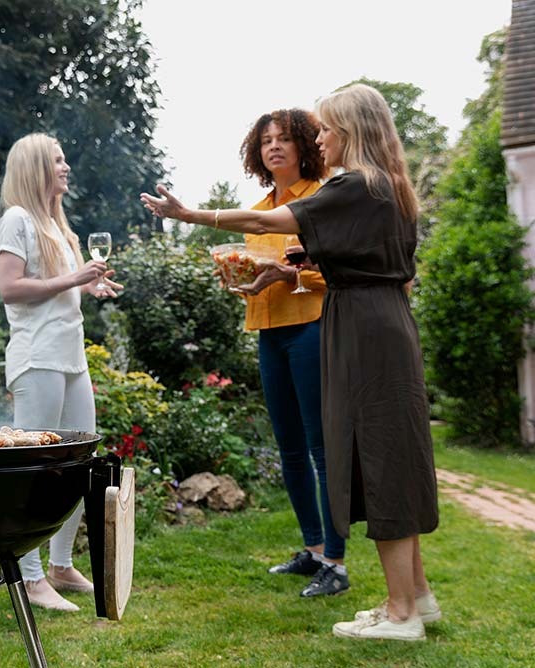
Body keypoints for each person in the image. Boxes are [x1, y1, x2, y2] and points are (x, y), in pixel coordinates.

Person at [140, 83, 440, 642]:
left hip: (365, 330)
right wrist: (285, 274)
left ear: (351, 130)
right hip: (384, 320)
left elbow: (263, 224)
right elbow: (391, 270)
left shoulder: (355, 185)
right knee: (391, 458)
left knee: (378, 461)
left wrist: (188, 214)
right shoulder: (392, 187)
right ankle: (416, 597)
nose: (319, 138)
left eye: (326, 129)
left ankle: (402, 616)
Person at [0, 132, 121, 611]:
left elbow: (53, 289)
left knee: (79, 462)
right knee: (37, 469)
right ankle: (29, 578)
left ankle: (61, 565)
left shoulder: (54, 222)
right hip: (37, 359)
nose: (66, 167)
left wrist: (87, 289)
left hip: (70, 357)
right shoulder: (18, 219)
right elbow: (11, 289)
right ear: (35, 168)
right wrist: (75, 277)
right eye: (58, 160)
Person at [234, 109, 349, 598]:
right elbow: (262, 276)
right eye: (266, 141)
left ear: (305, 144)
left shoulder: (322, 199)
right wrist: (241, 279)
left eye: (284, 138)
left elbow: (339, 269)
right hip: (270, 332)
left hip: (312, 329)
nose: (274, 147)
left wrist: (292, 276)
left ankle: (337, 565)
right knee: (289, 450)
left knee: (322, 448)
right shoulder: (259, 207)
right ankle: (313, 549)